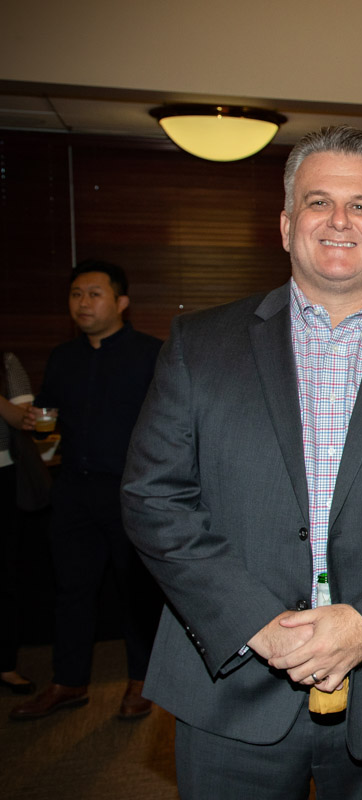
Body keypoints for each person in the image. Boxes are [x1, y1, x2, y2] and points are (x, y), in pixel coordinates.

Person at [120, 126, 362, 799]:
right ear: (285, 224)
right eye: (317, 202)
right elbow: (154, 497)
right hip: (231, 682)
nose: (338, 221)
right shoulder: (199, 345)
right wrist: (257, 625)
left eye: (361, 206)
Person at [10, 261, 163, 721]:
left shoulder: (152, 354)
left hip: (128, 491)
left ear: (121, 302)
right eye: (76, 295)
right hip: (73, 491)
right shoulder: (62, 357)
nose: (83, 304)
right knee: (71, 589)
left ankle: (141, 680)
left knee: (135, 590)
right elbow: (48, 417)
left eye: (94, 294)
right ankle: (69, 681)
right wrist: (39, 423)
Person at [1, 352, 37, 695]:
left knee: (5, 576)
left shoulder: (7, 361)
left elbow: (27, 419)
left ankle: (6, 665)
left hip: (3, 474)